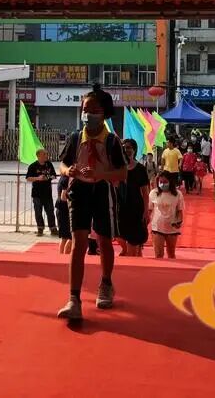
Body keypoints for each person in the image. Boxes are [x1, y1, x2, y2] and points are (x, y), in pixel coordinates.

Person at [57, 85, 127, 320]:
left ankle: (106, 283)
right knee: (79, 243)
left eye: (94, 110)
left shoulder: (112, 141)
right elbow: (63, 164)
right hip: (79, 191)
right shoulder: (75, 138)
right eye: (85, 110)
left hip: (103, 191)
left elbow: (122, 173)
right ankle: (74, 299)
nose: (88, 114)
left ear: (104, 113)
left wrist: (101, 174)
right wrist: (69, 171)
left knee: (105, 240)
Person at [117, 139, 149, 257]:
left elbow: (145, 192)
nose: (126, 150)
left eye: (129, 147)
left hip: (135, 208)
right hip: (120, 207)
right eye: (124, 147)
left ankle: (133, 259)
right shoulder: (117, 167)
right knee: (118, 234)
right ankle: (127, 250)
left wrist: (146, 211)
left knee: (133, 239)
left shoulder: (140, 169)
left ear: (134, 150)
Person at [149, 173, 184, 258]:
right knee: (158, 254)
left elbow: (180, 211)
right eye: (161, 182)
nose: (163, 184)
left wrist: (179, 222)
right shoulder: (153, 193)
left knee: (171, 254)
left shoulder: (178, 194)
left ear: (170, 182)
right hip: (157, 227)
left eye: (165, 182)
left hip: (172, 228)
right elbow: (149, 209)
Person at [26, 148, 58, 237]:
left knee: (50, 212)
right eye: (44, 154)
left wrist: (47, 177)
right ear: (39, 156)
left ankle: (53, 228)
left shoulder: (49, 164)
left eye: (46, 154)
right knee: (38, 212)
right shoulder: (33, 166)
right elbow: (28, 178)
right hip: (37, 194)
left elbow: (54, 175)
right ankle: (40, 229)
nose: (46, 156)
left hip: (47, 193)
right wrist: (38, 178)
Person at [55, 173, 72, 254]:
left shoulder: (63, 177)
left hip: (61, 210)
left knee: (65, 238)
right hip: (64, 211)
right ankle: (64, 257)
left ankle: (62, 256)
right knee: (69, 237)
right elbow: (63, 197)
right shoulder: (66, 179)